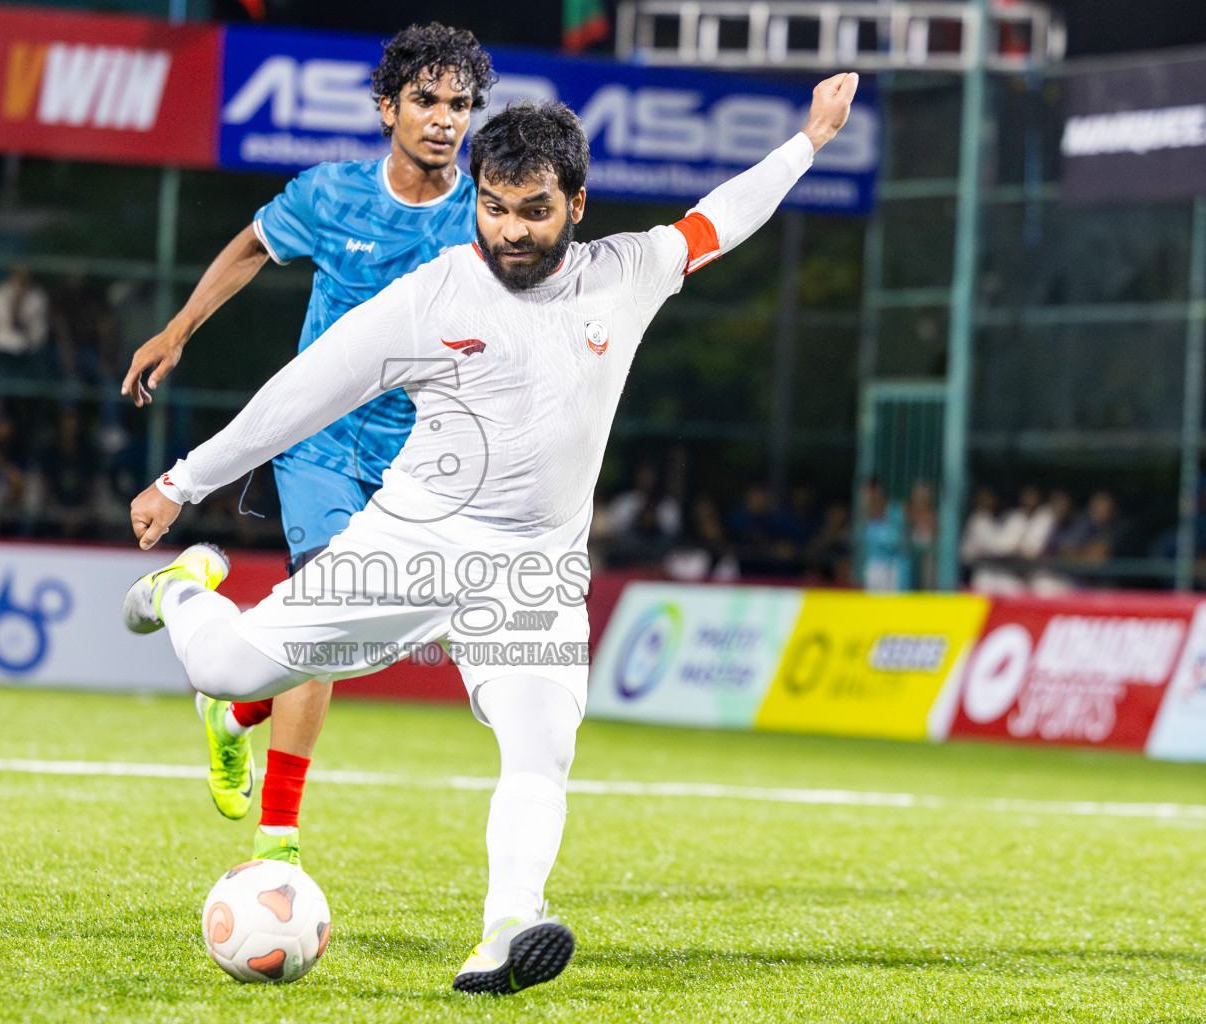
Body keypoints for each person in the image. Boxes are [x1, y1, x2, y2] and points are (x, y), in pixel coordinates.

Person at [123, 75, 859, 993]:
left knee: (541, 745)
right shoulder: (434, 295)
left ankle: (507, 930)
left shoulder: (628, 271)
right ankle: (180, 592)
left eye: (534, 211)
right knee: (224, 671)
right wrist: (180, 482)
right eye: (495, 207)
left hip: (534, 573)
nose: (510, 230)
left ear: (576, 205)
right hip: (412, 546)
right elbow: (301, 395)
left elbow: (724, 217)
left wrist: (809, 141)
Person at [121, 24, 496, 869]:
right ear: (387, 108)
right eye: (426, 100)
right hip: (318, 443)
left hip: (417, 455)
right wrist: (177, 331)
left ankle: (234, 712)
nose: (444, 119)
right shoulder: (331, 195)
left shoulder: (484, 217)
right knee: (327, 607)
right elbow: (254, 245)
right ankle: (279, 845)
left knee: (357, 631)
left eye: (460, 104)